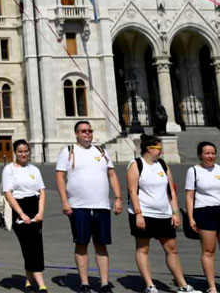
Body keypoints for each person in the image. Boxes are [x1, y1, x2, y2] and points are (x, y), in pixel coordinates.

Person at [126, 133, 199, 293]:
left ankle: (182, 285)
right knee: (143, 248)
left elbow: (170, 189)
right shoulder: (136, 164)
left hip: (164, 213)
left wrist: (175, 212)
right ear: (149, 148)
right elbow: (132, 191)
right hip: (144, 213)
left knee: (171, 248)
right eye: (159, 147)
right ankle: (150, 285)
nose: (161, 151)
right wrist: (138, 214)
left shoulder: (163, 165)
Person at [56, 120, 122, 293]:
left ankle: (104, 283)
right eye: (83, 131)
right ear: (76, 134)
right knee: (82, 244)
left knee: (102, 245)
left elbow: (112, 174)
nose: (87, 134)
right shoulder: (69, 151)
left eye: (90, 131)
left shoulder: (101, 151)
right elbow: (59, 176)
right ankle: (84, 282)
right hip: (78, 206)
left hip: (101, 205)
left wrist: (118, 198)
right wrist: (64, 201)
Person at [1, 139, 47, 292]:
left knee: (36, 244)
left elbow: (42, 191)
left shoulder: (34, 169)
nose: (23, 154)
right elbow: (8, 193)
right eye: (20, 151)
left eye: (26, 151)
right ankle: (41, 283)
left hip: (35, 207)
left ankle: (28, 281)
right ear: (15, 152)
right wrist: (21, 213)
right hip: (19, 208)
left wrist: (40, 212)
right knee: (28, 245)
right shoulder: (9, 169)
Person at [186, 141, 220, 293]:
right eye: (207, 153)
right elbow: (189, 196)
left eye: (213, 153)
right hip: (204, 211)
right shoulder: (193, 171)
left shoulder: (219, 169)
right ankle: (212, 286)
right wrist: (191, 217)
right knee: (209, 250)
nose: (211, 156)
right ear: (200, 155)